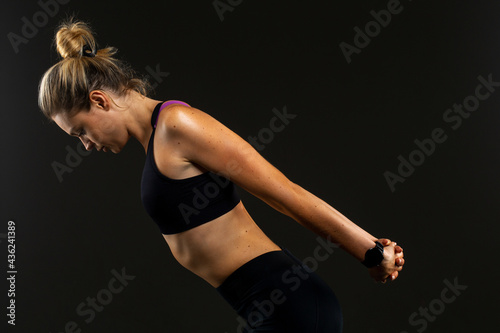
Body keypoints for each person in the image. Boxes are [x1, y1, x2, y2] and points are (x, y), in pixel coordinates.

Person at [38, 18, 405, 333]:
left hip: (288, 305)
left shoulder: (177, 124)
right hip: (261, 306)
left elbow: (284, 193)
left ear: (100, 101)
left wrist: (371, 252)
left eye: (80, 132)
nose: (85, 145)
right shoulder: (155, 139)